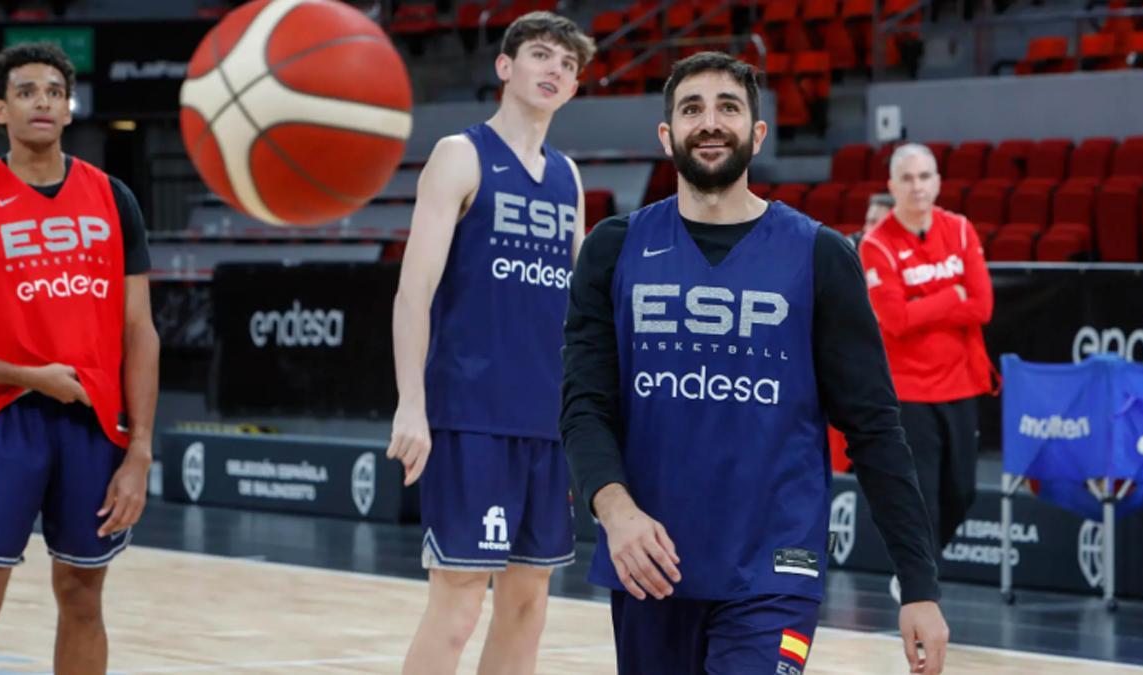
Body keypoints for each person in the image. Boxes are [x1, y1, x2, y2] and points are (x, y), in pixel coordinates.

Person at [562, 52, 949, 675]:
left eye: (728, 108)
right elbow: (585, 405)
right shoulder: (614, 249)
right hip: (649, 563)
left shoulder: (820, 255)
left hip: (775, 568)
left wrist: (919, 585)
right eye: (692, 109)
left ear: (757, 132)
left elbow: (875, 427)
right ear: (667, 135)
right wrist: (617, 513)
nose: (709, 122)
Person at [385, 12, 594, 675]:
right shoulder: (460, 154)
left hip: (546, 420)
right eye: (540, 54)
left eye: (567, 63)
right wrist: (410, 403)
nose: (554, 68)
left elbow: (580, 314)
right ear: (505, 67)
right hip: (470, 414)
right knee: (458, 602)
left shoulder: (569, 176)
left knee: (529, 604)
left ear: (573, 88)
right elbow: (413, 290)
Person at [0, 43, 159, 674]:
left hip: (94, 427)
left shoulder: (114, 199)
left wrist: (141, 449)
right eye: (25, 91)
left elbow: (140, 331)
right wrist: (26, 375)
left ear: (69, 110)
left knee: (81, 596)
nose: (41, 101)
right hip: (0, 423)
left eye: (53, 92)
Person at [858, 143, 994, 602]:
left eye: (925, 176)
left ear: (937, 182)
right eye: (908, 178)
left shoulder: (959, 229)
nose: (918, 186)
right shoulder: (876, 244)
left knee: (963, 491)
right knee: (923, 494)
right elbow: (895, 320)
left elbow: (983, 304)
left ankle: (921, 566)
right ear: (893, 186)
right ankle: (918, 580)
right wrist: (949, 296)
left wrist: (926, 304)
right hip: (909, 390)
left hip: (961, 383)